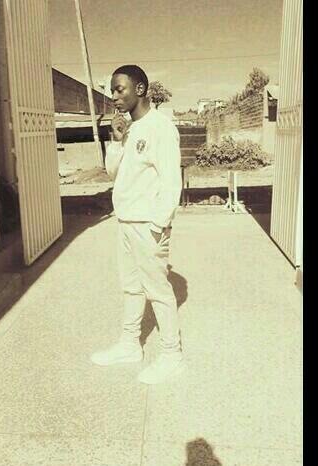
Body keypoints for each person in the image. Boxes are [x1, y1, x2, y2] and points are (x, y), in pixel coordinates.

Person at [90, 65, 184, 384]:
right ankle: (130, 345)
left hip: (148, 225)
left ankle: (172, 355)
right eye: (112, 91)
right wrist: (117, 140)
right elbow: (114, 173)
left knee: (158, 291)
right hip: (126, 222)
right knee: (131, 287)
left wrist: (159, 224)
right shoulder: (130, 129)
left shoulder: (160, 127)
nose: (114, 97)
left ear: (140, 89)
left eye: (120, 89)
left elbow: (171, 181)